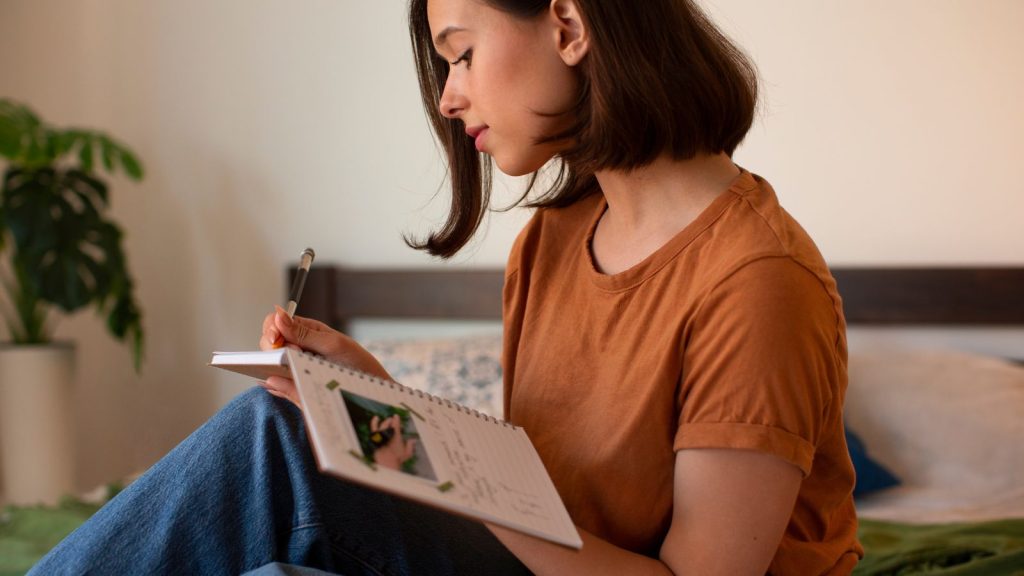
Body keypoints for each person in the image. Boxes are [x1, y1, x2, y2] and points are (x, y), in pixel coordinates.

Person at [30, 0, 863, 574]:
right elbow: (534, 501)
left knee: (270, 441)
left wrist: (431, 458)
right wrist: (390, 412)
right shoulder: (556, 239)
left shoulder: (758, 285)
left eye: (461, 52)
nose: (448, 92)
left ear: (569, 24)